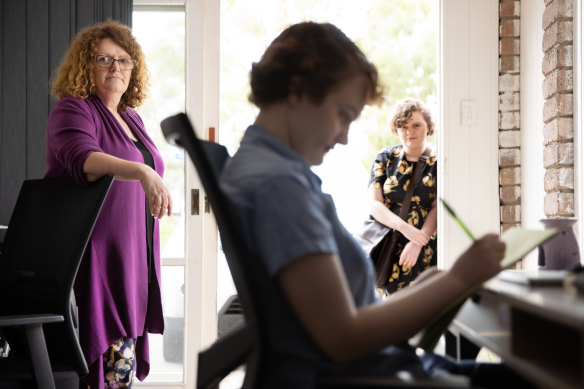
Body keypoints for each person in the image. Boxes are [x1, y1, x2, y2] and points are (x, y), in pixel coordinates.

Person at [220, 21, 534, 389]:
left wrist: (432, 284)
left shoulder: (264, 168)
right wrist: (460, 277)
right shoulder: (279, 186)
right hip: (371, 376)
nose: (343, 136)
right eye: (343, 115)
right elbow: (344, 338)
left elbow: (334, 315)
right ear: (297, 90)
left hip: (380, 365)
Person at [44, 20, 172, 388]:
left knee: (122, 368)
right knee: (99, 365)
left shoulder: (131, 118)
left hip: (132, 257)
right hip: (94, 258)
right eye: (104, 59)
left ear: (134, 69)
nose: (116, 68)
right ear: (87, 64)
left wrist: (150, 177)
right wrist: (142, 173)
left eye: (124, 60)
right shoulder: (74, 109)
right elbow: (82, 158)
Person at [368, 98, 438, 297]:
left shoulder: (439, 161)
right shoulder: (384, 158)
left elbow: (437, 207)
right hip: (388, 247)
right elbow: (375, 204)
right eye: (403, 126)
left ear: (428, 126)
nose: (409, 132)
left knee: (425, 308)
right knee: (391, 316)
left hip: (424, 249)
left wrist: (417, 242)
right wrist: (406, 229)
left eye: (416, 125)